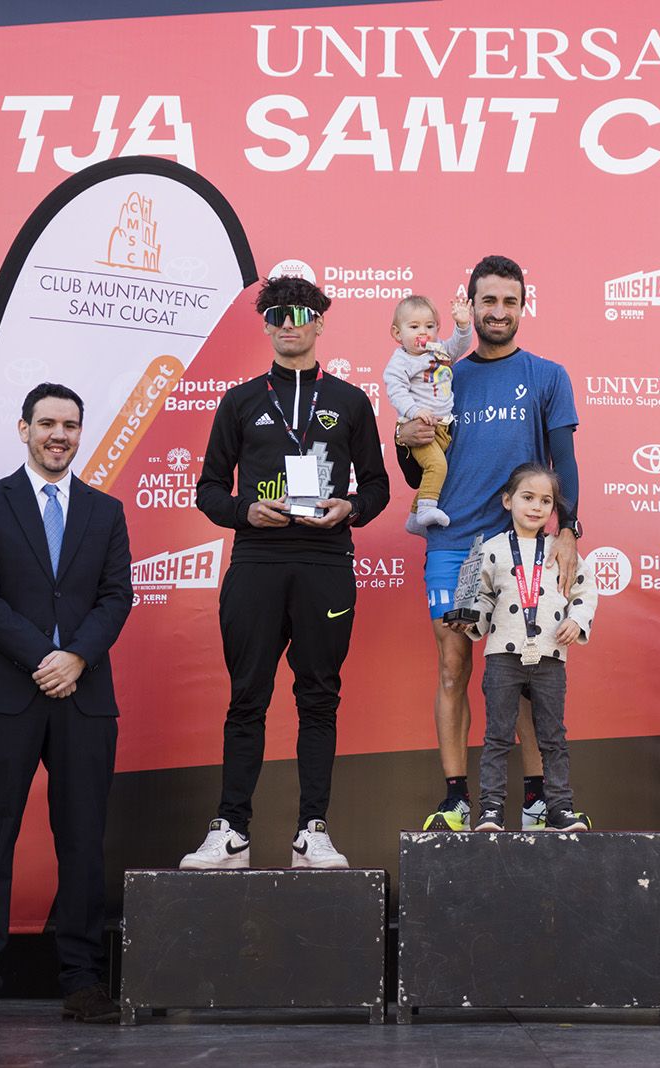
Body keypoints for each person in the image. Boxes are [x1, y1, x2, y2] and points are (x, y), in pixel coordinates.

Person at [0, 383, 133, 1026]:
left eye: (70, 425)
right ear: (23, 430)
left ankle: (81, 981)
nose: (59, 435)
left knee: (81, 842)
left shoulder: (106, 512)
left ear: (81, 433)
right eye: (46, 423)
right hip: (7, 696)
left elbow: (114, 597)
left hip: (84, 693)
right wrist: (43, 658)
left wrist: (74, 657)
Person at [180, 275, 389, 870]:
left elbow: (376, 486)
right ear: (266, 325)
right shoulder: (241, 400)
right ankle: (232, 831)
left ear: (321, 321)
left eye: (300, 312)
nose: (288, 322)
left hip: (325, 562)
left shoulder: (350, 400)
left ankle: (312, 831)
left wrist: (352, 507)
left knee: (319, 697)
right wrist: (246, 510)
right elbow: (209, 491)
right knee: (247, 698)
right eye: (275, 313)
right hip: (258, 561)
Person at [393, 254, 582, 832]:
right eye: (488, 301)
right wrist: (405, 438)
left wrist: (569, 529)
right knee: (453, 667)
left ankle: (532, 799)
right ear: (470, 306)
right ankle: (456, 797)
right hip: (452, 544)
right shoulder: (439, 368)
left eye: (509, 301)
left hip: (521, 548)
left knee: (525, 667)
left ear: (523, 306)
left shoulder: (548, 375)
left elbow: (564, 463)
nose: (498, 312)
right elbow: (416, 468)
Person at [460, 463, 598, 832]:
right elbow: (482, 597)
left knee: (553, 736)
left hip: (551, 654)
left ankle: (560, 808)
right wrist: (471, 617)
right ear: (508, 501)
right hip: (503, 655)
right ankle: (490, 809)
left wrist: (577, 620)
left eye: (546, 501)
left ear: (554, 511)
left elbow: (585, 590)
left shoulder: (561, 549)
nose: (536, 507)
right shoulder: (490, 550)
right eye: (527, 497)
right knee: (498, 735)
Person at [381, 294, 473, 532]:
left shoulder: (439, 351)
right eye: (414, 327)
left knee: (435, 473)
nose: (423, 332)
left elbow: (459, 345)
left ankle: (414, 518)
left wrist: (462, 325)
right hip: (420, 426)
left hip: (443, 425)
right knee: (437, 466)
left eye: (430, 326)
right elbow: (396, 390)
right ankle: (425, 511)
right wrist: (415, 411)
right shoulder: (401, 362)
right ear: (397, 334)